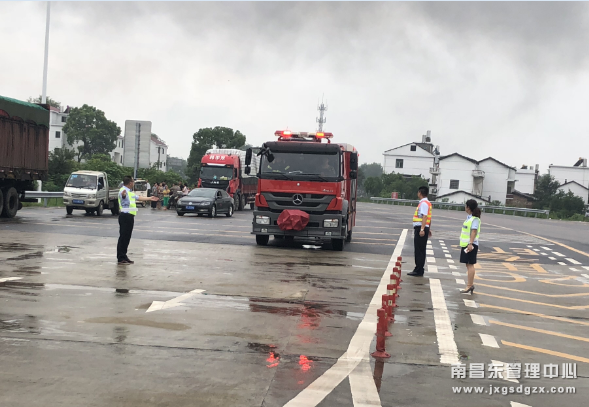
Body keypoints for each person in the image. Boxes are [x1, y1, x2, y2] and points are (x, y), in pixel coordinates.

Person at [117, 176, 158, 265]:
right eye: (133, 181)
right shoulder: (123, 191)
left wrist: (150, 198)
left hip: (129, 216)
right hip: (125, 216)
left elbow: (138, 197)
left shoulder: (129, 192)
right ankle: (121, 257)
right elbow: (123, 197)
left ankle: (124, 255)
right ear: (130, 183)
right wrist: (123, 195)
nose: (133, 183)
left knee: (127, 237)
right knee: (123, 237)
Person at [408, 186, 433, 277]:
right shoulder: (427, 203)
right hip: (424, 227)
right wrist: (428, 228)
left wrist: (422, 229)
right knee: (421, 250)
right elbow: (429, 218)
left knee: (419, 250)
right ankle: (419, 268)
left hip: (420, 228)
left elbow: (425, 216)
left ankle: (419, 269)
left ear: (420, 193)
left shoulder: (423, 203)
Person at [460, 199, 481, 294]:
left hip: (471, 245)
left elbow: (474, 231)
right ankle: (470, 285)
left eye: (466, 206)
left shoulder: (475, 219)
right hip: (466, 244)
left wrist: (470, 243)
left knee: (470, 264)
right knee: (468, 264)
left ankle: (469, 285)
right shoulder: (469, 218)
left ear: (468, 207)